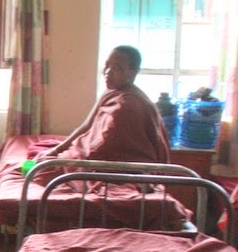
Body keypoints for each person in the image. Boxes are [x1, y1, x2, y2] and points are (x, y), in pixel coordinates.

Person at [33, 45, 171, 165]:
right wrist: (57, 150)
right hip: (94, 153)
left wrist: (67, 158)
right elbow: (86, 125)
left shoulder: (128, 106)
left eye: (117, 68)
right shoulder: (112, 91)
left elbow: (101, 150)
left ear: (133, 72)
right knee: (40, 157)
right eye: (107, 65)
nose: (108, 72)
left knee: (44, 170)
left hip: (119, 165)